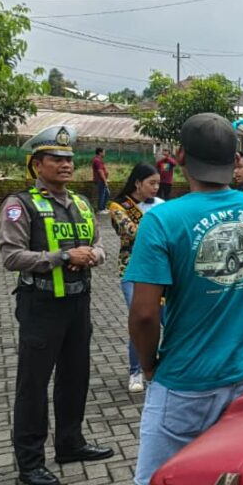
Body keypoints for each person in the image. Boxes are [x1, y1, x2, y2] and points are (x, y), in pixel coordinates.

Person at [126, 113, 243, 485]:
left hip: (184, 380)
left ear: (180, 156)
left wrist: (149, 365)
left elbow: (145, 313)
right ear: (235, 158)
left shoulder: (162, 220)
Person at [0, 125, 114, 485]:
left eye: (69, 159)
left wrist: (92, 255)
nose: (66, 165)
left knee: (75, 376)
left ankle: (70, 443)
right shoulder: (22, 205)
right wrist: (62, 256)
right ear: (36, 165)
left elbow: (99, 245)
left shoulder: (80, 203)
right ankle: (30, 461)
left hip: (78, 302)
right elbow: (12, 256)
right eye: (56, 159)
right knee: (33, 385)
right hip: (41, 305)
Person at [107, 163, 163, 394]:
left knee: (167, 319)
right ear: (138, 182)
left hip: (161, 270)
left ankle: (165, 368)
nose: (156, 188)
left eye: (158, 183)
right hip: (133, 270)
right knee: (140, 319)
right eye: (152, 183)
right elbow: (132, 232)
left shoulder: (160, 205)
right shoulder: (118, 206)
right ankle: (136, 370)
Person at [91, 147, 110, 212]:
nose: (104, 153)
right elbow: (100, 171)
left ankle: (103, 208)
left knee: (107, 194)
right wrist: (105, 181)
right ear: (100, 152)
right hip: (100, 180)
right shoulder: (97, 160)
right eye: (104, 152)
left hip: (102, 180)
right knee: (102, 194)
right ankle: (100, 209)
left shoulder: (99, 160)